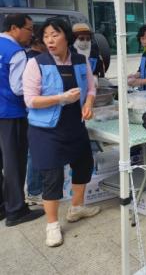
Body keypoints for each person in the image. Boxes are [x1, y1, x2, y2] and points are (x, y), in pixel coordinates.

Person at [23, 18, 100, 247]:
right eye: (46, 36)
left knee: (83, 166)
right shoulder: (36, 63)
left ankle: (76, 208)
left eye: (54, 34)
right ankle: (52, 225)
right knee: (52, 177)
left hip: (74, 125)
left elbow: (92, 88)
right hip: (46, 130)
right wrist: (61, 99)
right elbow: (30, 100)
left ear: (67, 37)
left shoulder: (80, 59)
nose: (49, 40)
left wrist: (88, 104)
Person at [0, 14, 44, 226]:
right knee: (15, 162)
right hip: (12, 113)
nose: (32, 34)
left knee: (3, 161)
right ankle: (17, 210)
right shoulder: (16, 52)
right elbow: (19, 88)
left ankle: (4, 206)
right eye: (29, 28)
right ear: (14, 28)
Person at [25, 36, 47, 206]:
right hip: (36, 111)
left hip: (32, 111)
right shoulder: (34, 60)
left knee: (34, 151)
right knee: (34, 151)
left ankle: (35, 189)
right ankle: (34, 191)